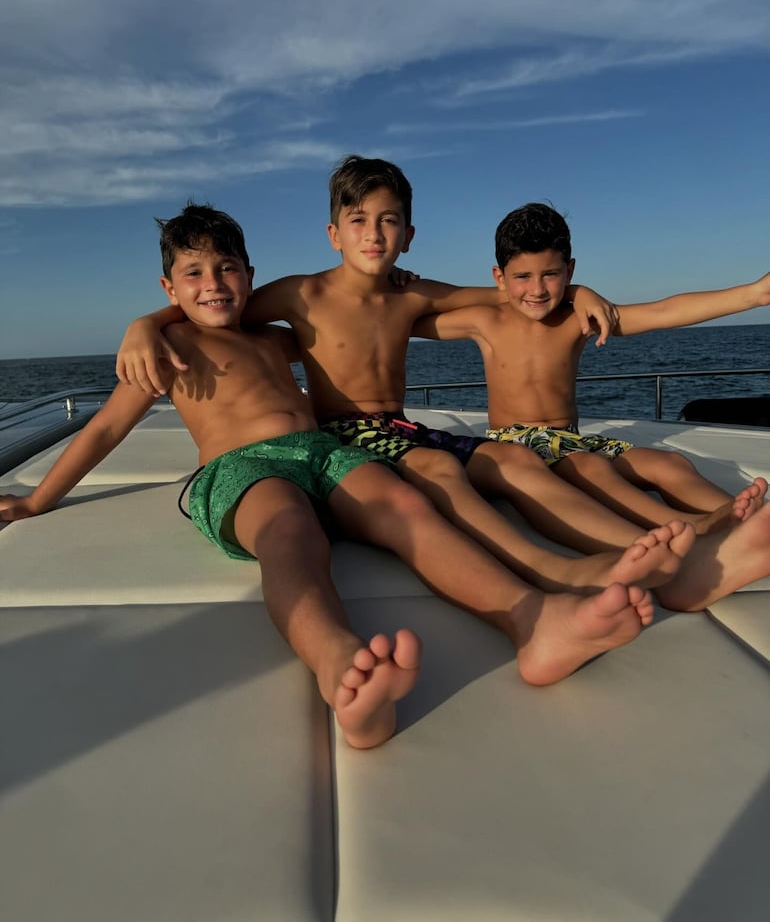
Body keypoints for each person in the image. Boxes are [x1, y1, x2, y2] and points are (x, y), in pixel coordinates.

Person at [2, 203, 692, 749]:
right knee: (290, 534)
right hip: (243, 470)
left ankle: (533, 621)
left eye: (228, 268)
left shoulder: (276, 336)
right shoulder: (171, 345)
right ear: (168, 287)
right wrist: (37, 497)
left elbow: (475, 299)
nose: (213, 284)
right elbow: (104, 427)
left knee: (408, 507)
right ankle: (341, 671)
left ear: (249, 272)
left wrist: (582, 289)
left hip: (326, 453)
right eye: (193, 273)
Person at [115, 161, 770, 611]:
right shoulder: (298, 293)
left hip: (399, 427)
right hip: (349, 436)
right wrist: (145, 323)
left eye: (389, 220)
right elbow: (216, 309)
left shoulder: (415, 295)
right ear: (333, 231)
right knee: (460, 468)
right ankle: (596, 564)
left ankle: (671, 544)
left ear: (408, 232)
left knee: (522, 457)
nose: (375, 234)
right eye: (361, 220)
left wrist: (581, 289)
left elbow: (508, 293)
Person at [413, 201, 770, 530]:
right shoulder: (485, 321)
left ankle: (751, 519)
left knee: (669, 464)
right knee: (589, 466)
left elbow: (663, 312)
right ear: (499, 278)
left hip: (570, 440)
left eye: (550, 274)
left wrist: (754, 294)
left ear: (569, 271)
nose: (537, 289)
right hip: (516, 445)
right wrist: (395, 285)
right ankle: (686, 526)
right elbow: (402, 321)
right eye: (523, 277)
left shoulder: (578, 319)